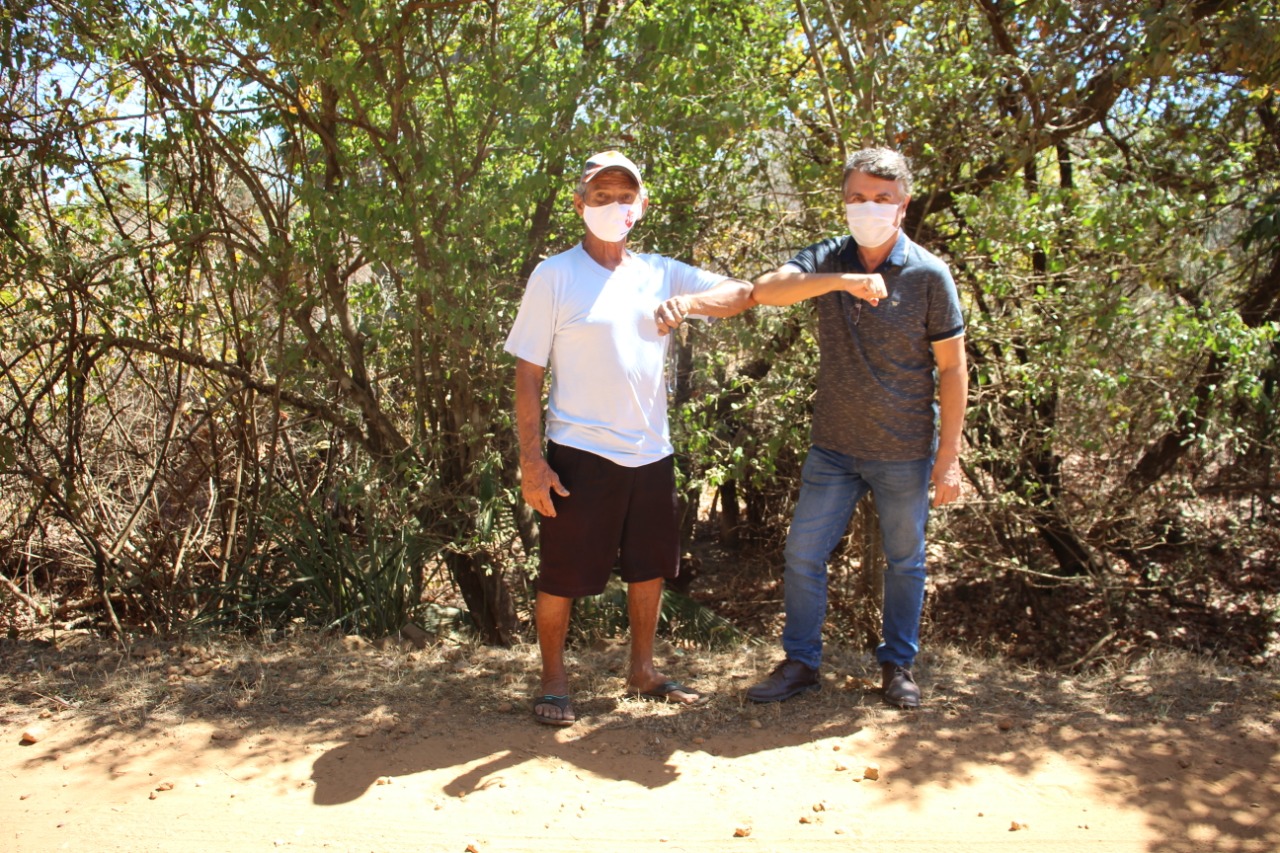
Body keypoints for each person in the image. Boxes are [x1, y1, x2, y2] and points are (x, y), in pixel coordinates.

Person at [504, 150, 755, 726]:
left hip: (651, 452)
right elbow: (527, 373)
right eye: (601, 195)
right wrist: (532, 462)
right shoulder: (555, 275)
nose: (613, 205)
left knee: (649, 568)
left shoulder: (661, 272)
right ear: (580, 204)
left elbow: (742, 294)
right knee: (561, 575)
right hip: (579, 452)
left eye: (625, 196)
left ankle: (642, 670)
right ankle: (553, 682)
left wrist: (689, 302)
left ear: (641, 206)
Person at [745, 147, 967, 709]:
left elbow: (953, 367)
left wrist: (949, 458)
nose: (869, 208)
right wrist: (840, 281)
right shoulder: (829, 257)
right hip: (835, 449)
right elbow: (766, 290)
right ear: (844, 202)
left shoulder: (929, 274)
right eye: (858, 198)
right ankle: (801, 663)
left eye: (882, 199)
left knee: (905, 561)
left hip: (903, 451)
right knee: (802, 554)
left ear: (903, 204)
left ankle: (897, 666)